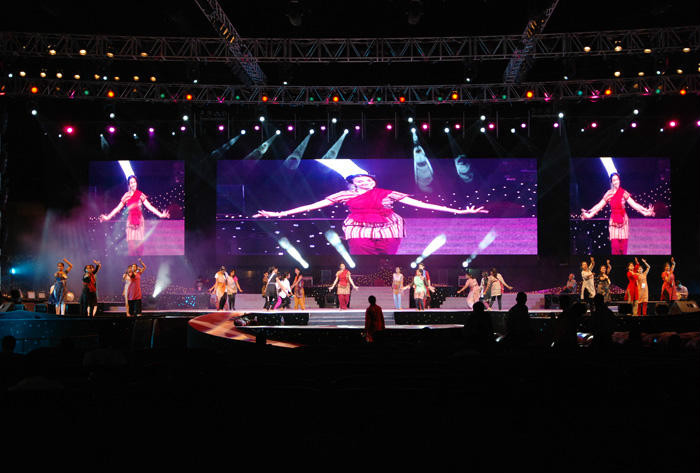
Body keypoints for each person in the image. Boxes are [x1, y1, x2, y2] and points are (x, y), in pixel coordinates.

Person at [254, 173, 487, 255]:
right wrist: (278, 213)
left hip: (388, 228)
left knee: (388, 257)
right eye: (359, 179)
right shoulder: (344, 195)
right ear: (354, 183)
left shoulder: (388, 193)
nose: (364, 181)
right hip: (359, 229)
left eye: (368, 179)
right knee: (361, 257)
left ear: (373, 181)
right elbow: (311, 206)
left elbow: (422, 204)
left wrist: (458, 211)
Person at [580, 172, 655, 255]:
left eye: (617, 179)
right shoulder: (609, 193)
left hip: (623, 222)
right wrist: (589, 213)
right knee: (615, 248)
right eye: (614, 180)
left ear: (619, 180)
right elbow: (599, 206)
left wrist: (645, 211)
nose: (616, 182)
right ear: (611, 182)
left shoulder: (624, 193)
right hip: (614, 223)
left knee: (623, 249)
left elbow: (634, 205)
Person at [98, 175, 171, 256]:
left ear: (136, 183)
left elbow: (149, 206)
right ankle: (132, 262)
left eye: (134, 182)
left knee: (139, 245)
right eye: (131, 183)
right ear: (129, 185)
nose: (133, 184)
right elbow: (118, 208)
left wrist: (160, 214)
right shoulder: (126, 195)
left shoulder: (140, 194)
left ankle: (140, 261)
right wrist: (108, 217)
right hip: (130, 222)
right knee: (131, 246)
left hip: (139, 221)